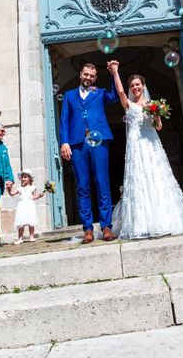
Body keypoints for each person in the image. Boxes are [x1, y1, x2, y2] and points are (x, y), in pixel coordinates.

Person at [107, 61, 183, 239]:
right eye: (132, 85)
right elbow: (120, 92)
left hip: (151, 144)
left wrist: (156, 115)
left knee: (156, 177)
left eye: (137, 84)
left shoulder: (153, 104)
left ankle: (163, 221)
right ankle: (141, 223)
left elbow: (159, 126)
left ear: (143, 86)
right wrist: (115, 72)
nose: (135, 87)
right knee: (139, 179)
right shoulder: (128, 105)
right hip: (136, 145)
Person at [59, 62, 119, 244]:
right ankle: (87, 229)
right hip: (77, 144)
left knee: (102, 182)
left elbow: (116, 95)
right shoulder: (69, 96)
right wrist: (64, 142)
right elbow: (64, 120)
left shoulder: (99, 93)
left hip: (99, 141)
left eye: (92, 76)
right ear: (80, 74)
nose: (88, 78)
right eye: (86, 74)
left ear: (95, 78)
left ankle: (106, 226)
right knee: (82, 186)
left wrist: (114, 73)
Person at [6, 169, 44, 244]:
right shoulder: (19, 188)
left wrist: (39, 196)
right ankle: (20, 238)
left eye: (25, 177)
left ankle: (31, 236)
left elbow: (33, 197)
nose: (23, 179)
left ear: (30, 178)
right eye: (22, 177)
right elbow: (12, 194)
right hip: (22, 206)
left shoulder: (32, 188)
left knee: (31, 222)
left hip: (30, 205)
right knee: (21, 222)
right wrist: (9, 189)